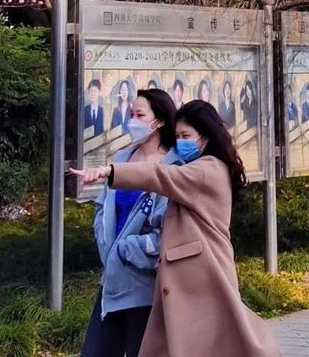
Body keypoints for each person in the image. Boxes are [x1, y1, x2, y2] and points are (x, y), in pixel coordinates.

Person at [73, 100, 280, 357]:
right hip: (188, 281)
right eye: (178, 136)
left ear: (204, 138)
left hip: (203, 279)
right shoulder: (204, 168)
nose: (180, 142)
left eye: (186, 136)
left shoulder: (207, 170)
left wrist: (109, 171)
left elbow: (161, 176)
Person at [77, 88, 179, 357]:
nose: (132, 120)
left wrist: (126, 251)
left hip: (145, 288)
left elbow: (167, 233)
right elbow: (102, 208)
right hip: (111, 282)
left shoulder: (172, 169)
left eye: (139, 114)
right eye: (131, 113)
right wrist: (106, 246)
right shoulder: (122, 159)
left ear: (159, 122)